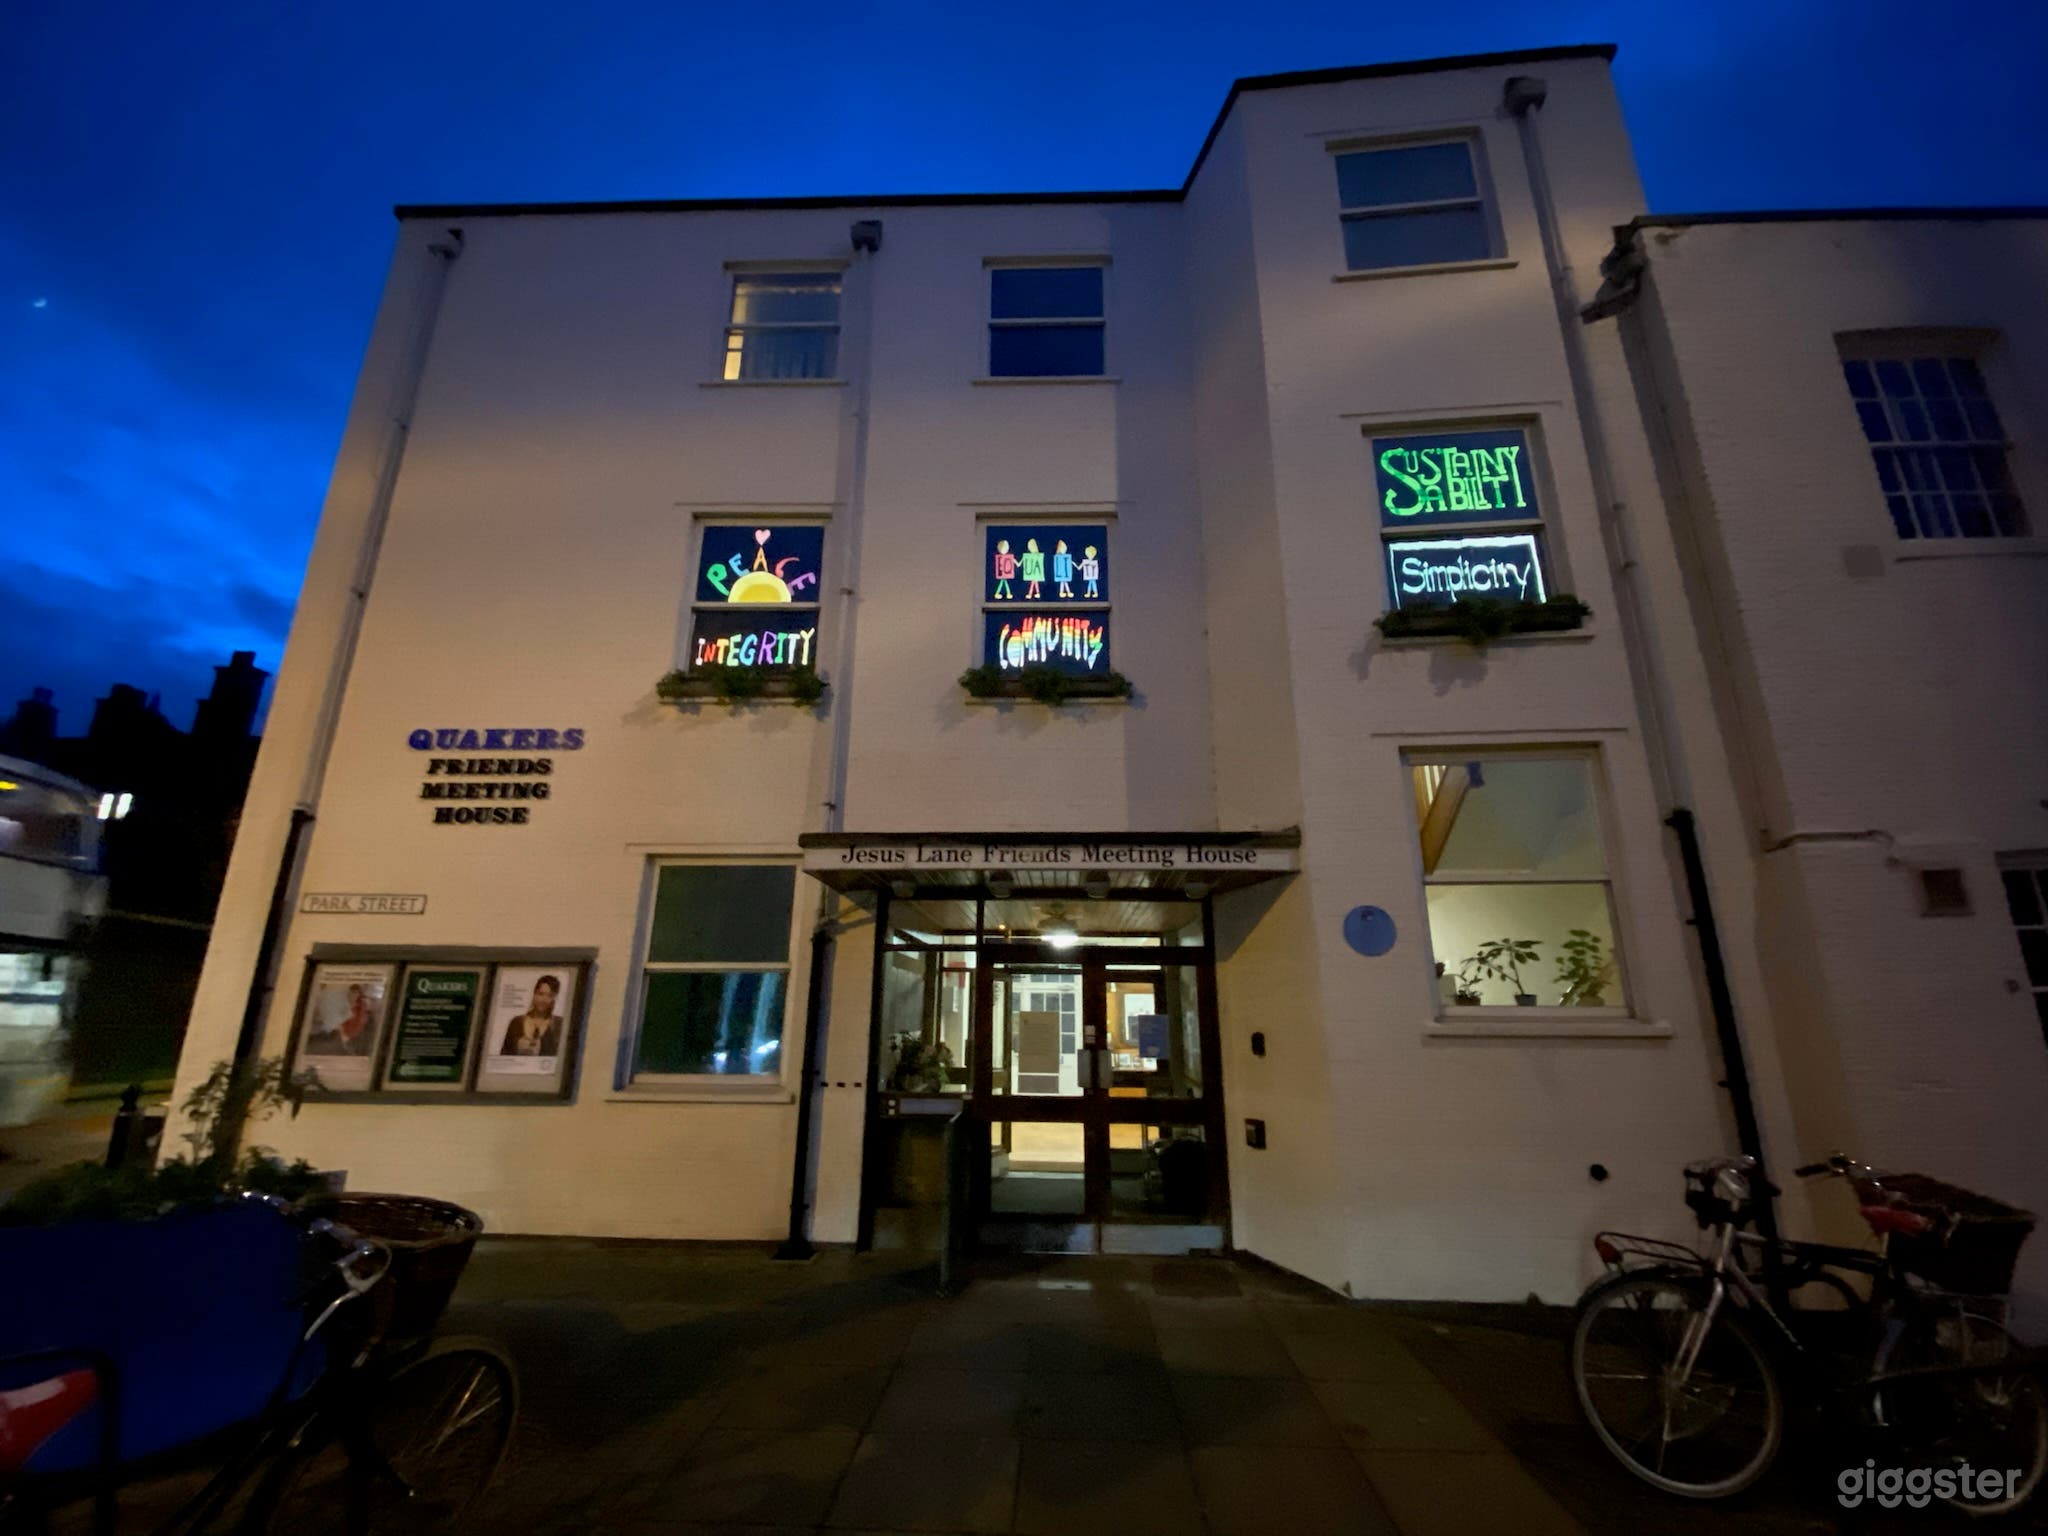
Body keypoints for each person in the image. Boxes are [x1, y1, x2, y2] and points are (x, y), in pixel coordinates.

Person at [500, 975, 564, 1057]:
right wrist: (517, 1047)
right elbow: (504, 1055)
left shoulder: (559, 1024)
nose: (544, 1000)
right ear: (534, 993)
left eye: (549, 996)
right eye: (540, 994)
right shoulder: (516, 1022)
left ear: (554, 998)